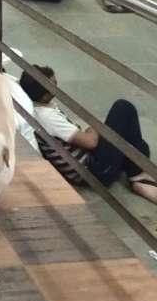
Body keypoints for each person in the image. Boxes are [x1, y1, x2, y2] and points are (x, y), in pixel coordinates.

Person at [19, 65, 157, 204]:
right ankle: (138, 178)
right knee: (123, 108)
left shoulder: (38, 105)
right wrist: (96, 126)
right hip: (94, 171)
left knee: (134, 141)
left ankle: (137, 172)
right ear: (45, 95)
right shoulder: (47, 117)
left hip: (88, 160)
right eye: (54, 85)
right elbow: (91, 142)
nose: (57, 87)